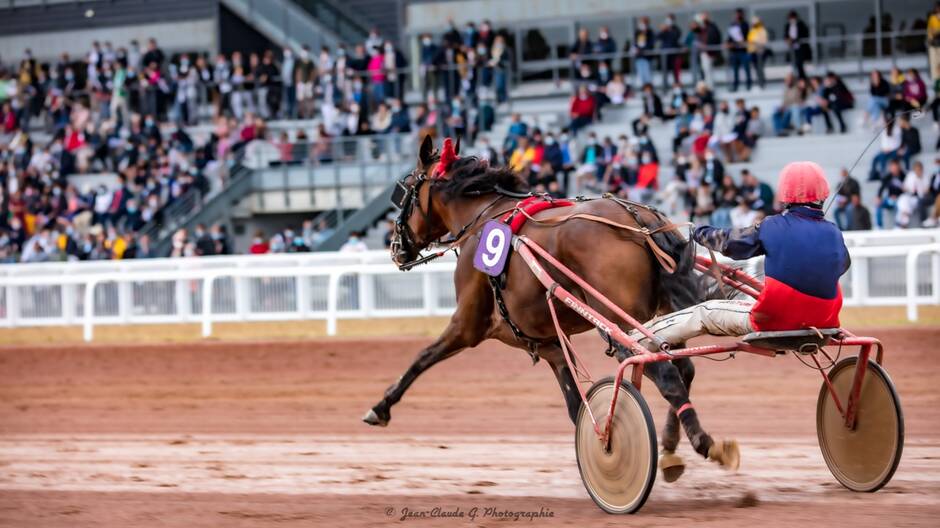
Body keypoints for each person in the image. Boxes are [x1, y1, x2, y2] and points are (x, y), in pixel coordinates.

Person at [629, 160, 849, 361]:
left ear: (786, 195)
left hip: (774, 321)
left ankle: (635, 340)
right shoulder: (834, 231)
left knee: (704, 312)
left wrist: (698, 232)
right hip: (824, 321)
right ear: (823, 195)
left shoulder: (773, 225)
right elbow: (842, 265)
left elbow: (731, 245)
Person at [726, 9, 751, 92]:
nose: (737, 16)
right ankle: (735, 86)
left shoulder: (745, 24)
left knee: (746, 69)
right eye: (736, 14)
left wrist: (744, 42)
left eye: (739, 14)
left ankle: (748, 85)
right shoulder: (732, 25)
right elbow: (730, 37)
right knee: (735, 70)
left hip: (743, 50)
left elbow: (748, 37)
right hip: (734, 51)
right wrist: (729, 43)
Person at [875, 159, 905, 228]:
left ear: (899, 167)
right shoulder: (888, 177)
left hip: (899, 199)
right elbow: (881, 188)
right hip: (889, 199)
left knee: (899, 205)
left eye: (895, 168)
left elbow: (905, 190)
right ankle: (879, 226)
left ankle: (898, 225)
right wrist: (878, 197)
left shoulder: (903, 176)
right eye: (892, 168)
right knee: (878, 204)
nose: (894, 170)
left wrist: (897, 196)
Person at [784, 11, 812, 79]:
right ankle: (795, 77)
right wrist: (787, 40)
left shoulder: (801, 25)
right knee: (793, 63)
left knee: (799, 64)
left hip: (800, 48)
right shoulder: (787, 26)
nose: (792, 19)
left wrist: (794, 40)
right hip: (792, 48)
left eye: (793, 18)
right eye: (790, 18)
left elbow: (804, 35)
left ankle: (802, 78)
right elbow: (785, 35)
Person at [747, 16, 768, 90]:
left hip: (760, 52)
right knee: (756, 68)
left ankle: (762, 84)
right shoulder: (752, 30)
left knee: (760, 68)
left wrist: (755, 43)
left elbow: (763, 41)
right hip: (753, 51)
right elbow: (749, 40)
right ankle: (759, 82)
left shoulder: (762, 30)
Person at [930, 3, 940, 82]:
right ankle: (937, 78)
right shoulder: (932, 18)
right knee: (935, 63)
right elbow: (930, 30)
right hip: (935, 43)